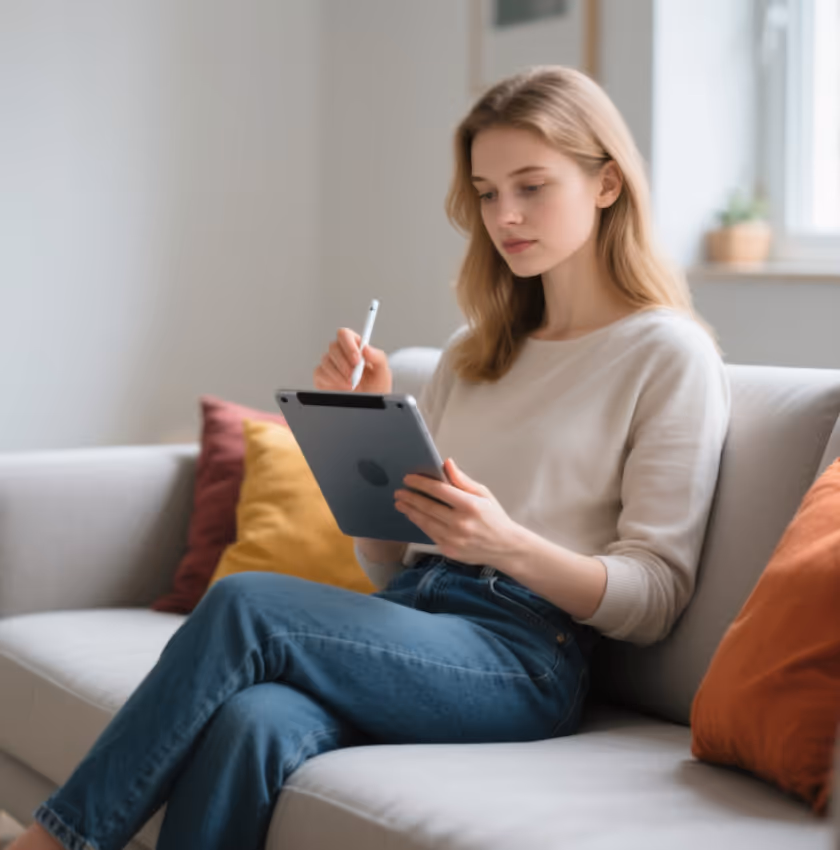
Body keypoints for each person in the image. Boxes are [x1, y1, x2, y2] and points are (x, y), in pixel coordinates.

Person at [11, 64, 730, 850]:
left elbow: (657, 596)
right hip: (411, 615)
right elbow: (390, 566)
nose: (506, 215)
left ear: (606, 185)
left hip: (525, 656)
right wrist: (359, 438)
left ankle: (54, 844)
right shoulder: (473, 352)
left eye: (531, 185)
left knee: (246, 603)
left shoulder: (667, 354)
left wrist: (506, 545)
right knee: (255, 720)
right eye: (487, 193)